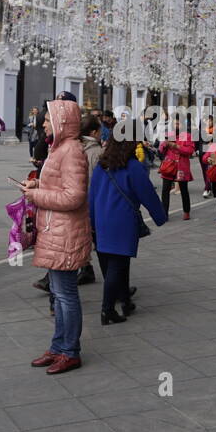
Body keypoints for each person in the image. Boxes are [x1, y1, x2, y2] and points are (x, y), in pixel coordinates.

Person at [22, 98, 90, 375]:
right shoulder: (58, 147)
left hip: (65, 231)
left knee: (65, 294)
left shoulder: (71, 150)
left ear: (62, 122)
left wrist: (37, 195)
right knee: (59, 293)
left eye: (48, 120)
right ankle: (58, 346)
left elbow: (75, 196)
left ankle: (70, 351)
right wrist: (37, 183)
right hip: (55, 228)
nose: (44, 124)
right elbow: (60, 184)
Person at [88, 137, 168, 326]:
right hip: (122, 221)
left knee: (116, 263)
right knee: (118, 263)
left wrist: (91, 222)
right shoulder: (132, 166)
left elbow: (92, 196)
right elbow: (147, 193)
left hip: (101, 221)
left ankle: (125, 300)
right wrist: (159, 216)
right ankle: (107, 309)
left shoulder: (102, 165)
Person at [76, 115, 104, 285]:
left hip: (78, 203)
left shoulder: (75, 148)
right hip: (91, 204)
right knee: (101, 244)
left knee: (81, 239)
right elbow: (98, 182)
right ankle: (117, 287)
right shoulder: (97, 153)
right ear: (94, 132)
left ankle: (86, 269)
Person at [157, 116, 196, 219]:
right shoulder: (169, 134)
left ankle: (186, 211)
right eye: (174, 124)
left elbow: (190, 151)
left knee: (184, 189)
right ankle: (164, 213)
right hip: (169, 165)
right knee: (165, 190)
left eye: (178, 124)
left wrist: (176, 146)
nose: (176, 126)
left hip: (181, 166)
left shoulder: (187, 136)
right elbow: (160, 149)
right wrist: (164, 145)